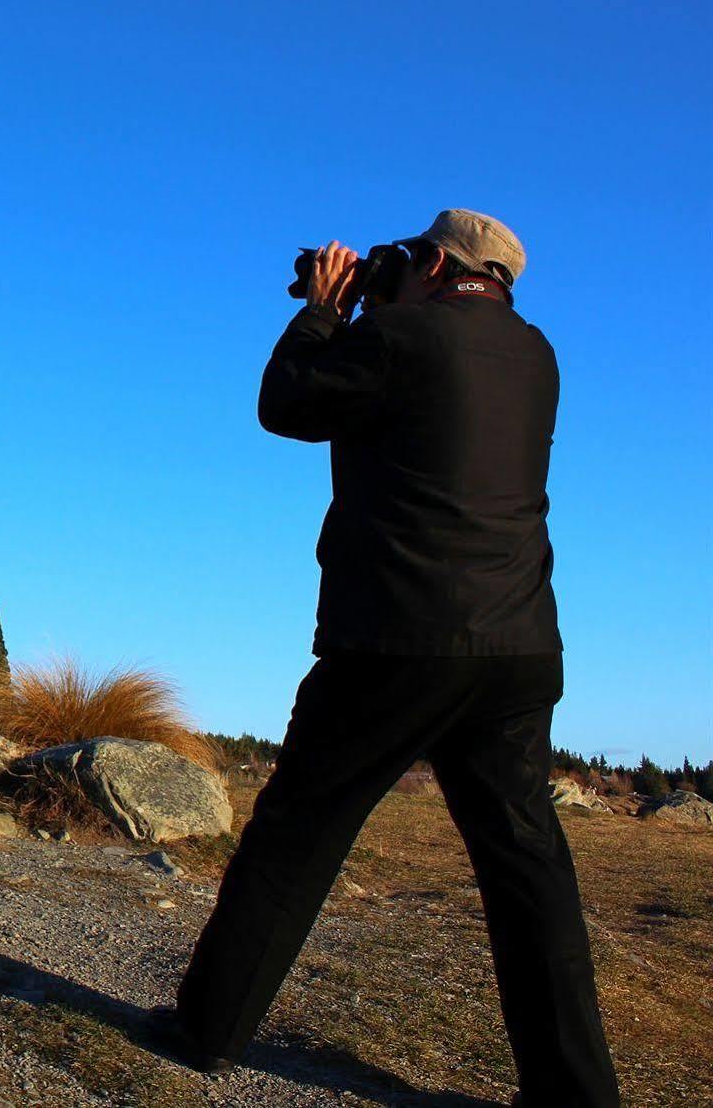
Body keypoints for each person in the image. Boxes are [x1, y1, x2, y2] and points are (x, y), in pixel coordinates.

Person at [165, 210, 618, 1104]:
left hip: (395, 639)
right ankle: (575, 1092)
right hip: (519, 645)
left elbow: (285, 404)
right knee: (527, 868)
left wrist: (324, 309)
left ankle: (207, 1028)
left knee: (296, 834)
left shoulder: (400, 335)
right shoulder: (537, 356)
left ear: (434, 262)